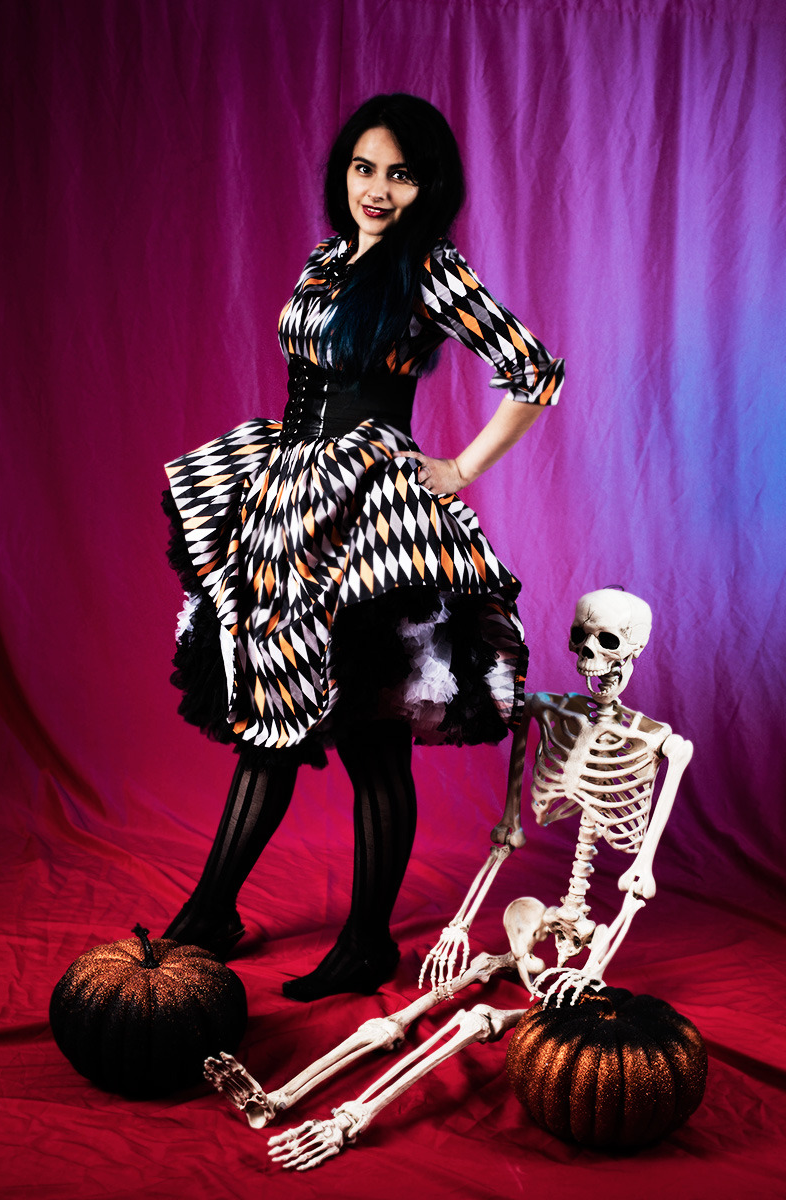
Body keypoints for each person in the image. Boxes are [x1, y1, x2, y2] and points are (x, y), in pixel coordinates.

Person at [161, 93, 564, 1002]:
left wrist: (460, 466)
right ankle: (210, 915)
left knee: (370, 735)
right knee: (273, 714)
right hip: (287, 500)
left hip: (367, 516)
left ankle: (367, 942)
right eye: (363, 168)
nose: (377, 189)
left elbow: (535, 372)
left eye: (400, 174)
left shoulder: (430, 268)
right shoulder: (327, 258)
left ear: (429, 186)